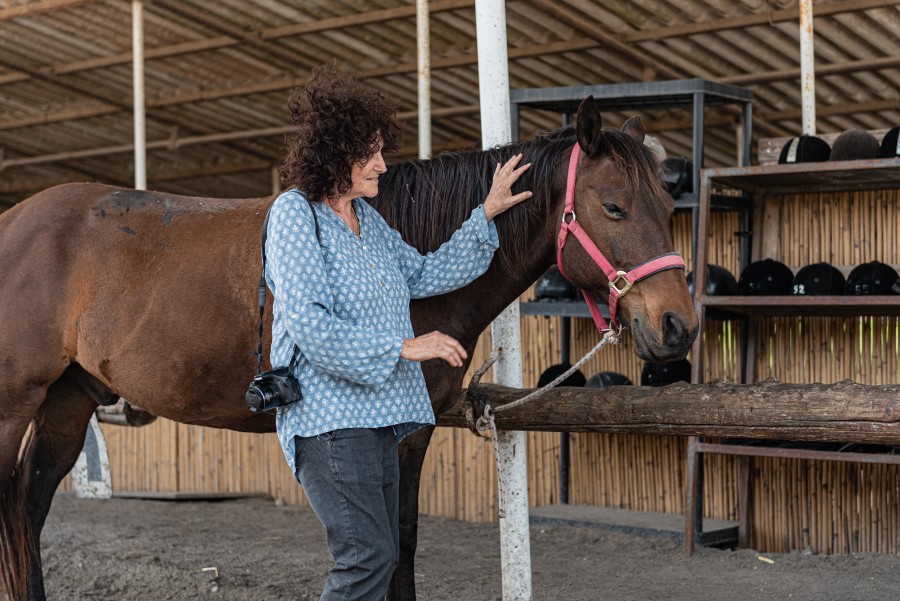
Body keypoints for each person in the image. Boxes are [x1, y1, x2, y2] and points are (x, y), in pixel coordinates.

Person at [267, 65, 532, 601]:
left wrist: (486, 212)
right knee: (366, 558)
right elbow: (308, 322)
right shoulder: (295, 215)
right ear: (336, 153)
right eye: (372, 154)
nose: (384, 166)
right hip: (330, 420)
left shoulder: (370, 222)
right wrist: (406, 346)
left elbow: (427, 273)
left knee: (381, 555)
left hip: (379, 417)